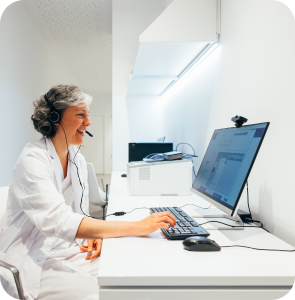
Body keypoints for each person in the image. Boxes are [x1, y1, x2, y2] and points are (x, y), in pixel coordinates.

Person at [0, 85, 176, 300]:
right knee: (100, 294)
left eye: (88, 115)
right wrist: (137, 226)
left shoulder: (77, 159)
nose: (88, 122)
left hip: (70, 249)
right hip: (34, 257)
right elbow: (58, 221)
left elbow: (78, 212)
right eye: (80, 115)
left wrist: (94, 233)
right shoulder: (32, 160)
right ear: (55, 118)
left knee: (128, 274)